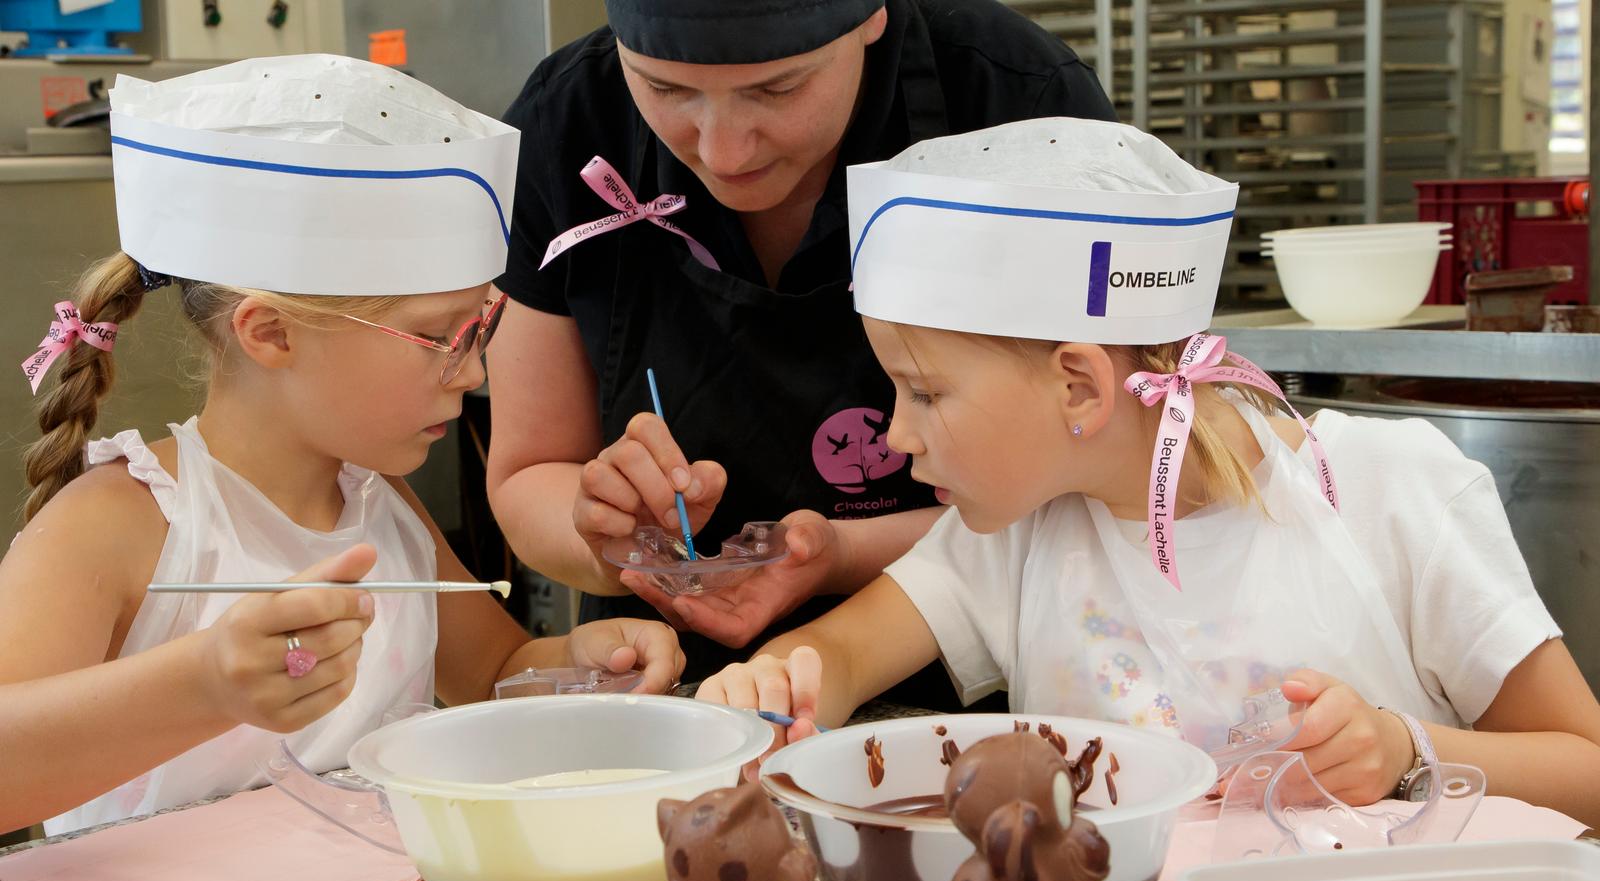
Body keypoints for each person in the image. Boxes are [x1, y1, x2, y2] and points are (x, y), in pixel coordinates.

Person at [699, 116, 1600, 825]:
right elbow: (843, 655)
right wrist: (780, 682)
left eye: (924, 393)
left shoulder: (1389, 492)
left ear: (1080, 386)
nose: (896, 435)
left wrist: (1405, 751)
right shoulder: (1017, 533)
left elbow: (1588, 766)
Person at [0, 55, 682, 838]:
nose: (476, 373)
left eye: (481, 329)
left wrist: (582, 665)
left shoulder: (379, 504)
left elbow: (493, 674)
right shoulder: (120, 522)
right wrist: (204, 684)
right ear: (271, 332)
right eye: (440, 337)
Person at [485, 0, 1116, 683]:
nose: (723, 149)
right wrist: (610, 538)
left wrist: (841, 553)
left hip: (963, 684)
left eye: (777, 88)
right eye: (665, 89)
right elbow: (528, 472)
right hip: (659, 684)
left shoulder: (1019, 105)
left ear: (873, 17)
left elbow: (1109, 476)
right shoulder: (566, 121)